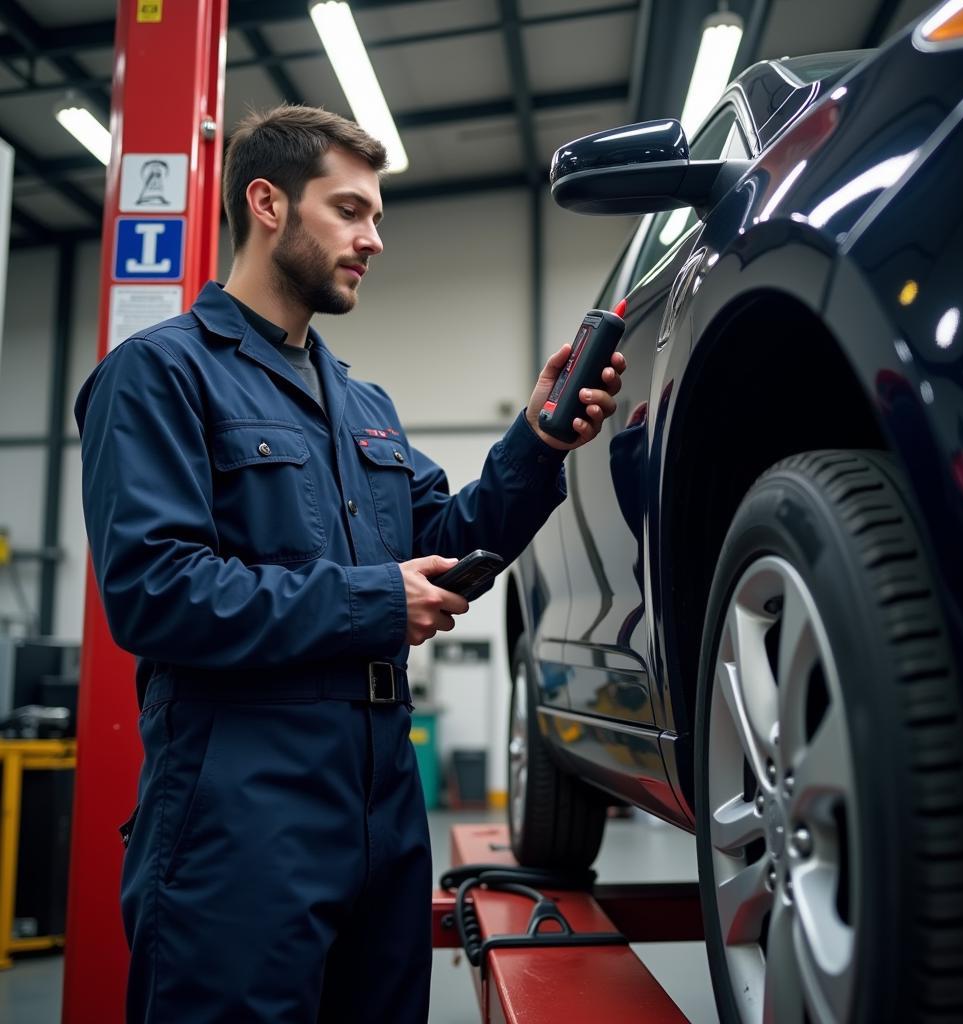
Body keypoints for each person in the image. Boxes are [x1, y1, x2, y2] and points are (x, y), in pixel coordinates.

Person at [74, 104, 626, 1024]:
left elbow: (447, 541)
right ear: (268, 204)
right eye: (350, 211)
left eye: (377, 216)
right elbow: (153, 592)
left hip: (382, 801)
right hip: (239, 804)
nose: (373, 239)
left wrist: (538, 441)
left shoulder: (360, 402)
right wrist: (375, 601)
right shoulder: (161, 374)